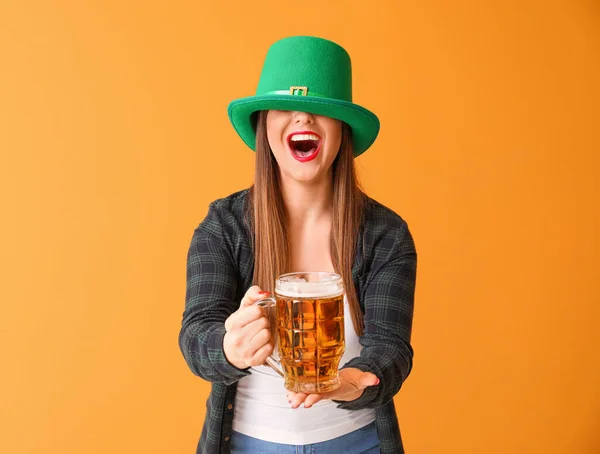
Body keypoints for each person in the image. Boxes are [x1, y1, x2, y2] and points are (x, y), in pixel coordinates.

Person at [179, 36, 417, 454]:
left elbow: (391, 350)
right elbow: (196, 336)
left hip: (358, 443)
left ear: (341, 131)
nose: (303, 118)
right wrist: (227, 348)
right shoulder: (223, 226)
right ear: (264, 125)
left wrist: (349, 382)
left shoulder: (386, 233)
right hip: (248, 443)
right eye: (285, 109)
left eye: (321, 110)